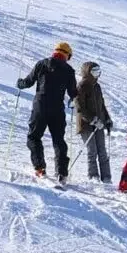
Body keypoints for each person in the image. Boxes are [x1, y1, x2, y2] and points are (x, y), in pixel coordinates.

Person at [17, 42, 80, 182]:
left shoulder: (42, 64)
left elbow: (28, 82)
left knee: (34, 137)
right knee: (58, 140)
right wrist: (74, 100)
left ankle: (40, 168)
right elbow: (73, 93)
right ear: (67, 55)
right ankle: (61, 173)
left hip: (40, 106)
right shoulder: (69, 70)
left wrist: (19, 83)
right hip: (57, 109)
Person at [74, 61, 116, 184]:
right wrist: (92, 119)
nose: (97, 74)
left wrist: (107, 119)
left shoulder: (97, 87)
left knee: (102, 151)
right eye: (94, 72)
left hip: (99, 124)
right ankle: (93, 176)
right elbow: (79, 106)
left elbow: (101, 105)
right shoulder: (82, 86)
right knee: (92, 151)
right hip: (86, 124)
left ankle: (106, 177)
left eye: (98, 72)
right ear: (87, 72)